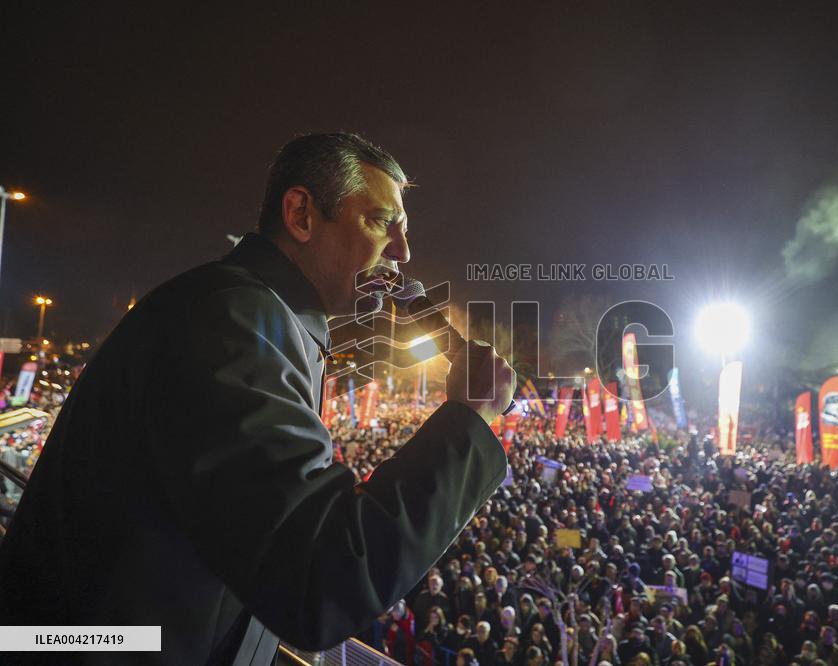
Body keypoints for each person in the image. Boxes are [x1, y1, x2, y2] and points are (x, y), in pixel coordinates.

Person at [0, 133, 515, 664]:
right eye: (384, 222)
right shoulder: (234, 321)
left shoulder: (253, 312)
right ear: (301, 215)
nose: (404, 252)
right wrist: (467, 420)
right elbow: (316, 578)